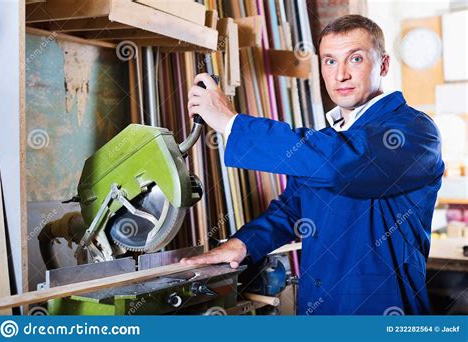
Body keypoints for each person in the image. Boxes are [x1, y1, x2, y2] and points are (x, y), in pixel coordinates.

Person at [182, 14, 444, 315]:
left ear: (383, 65)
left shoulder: (414, 132)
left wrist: (232, 123)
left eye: (355, 59)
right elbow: (292, 210)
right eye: (330, 61)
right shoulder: (326, 141)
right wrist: (242, 244)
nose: (340, 74)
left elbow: (342, 165)